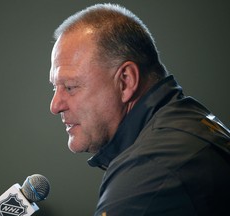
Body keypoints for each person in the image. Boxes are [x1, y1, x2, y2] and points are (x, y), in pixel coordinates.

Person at [49, 3, 230, 216]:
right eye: (54, 87)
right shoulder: (188, 122)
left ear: (126, 81)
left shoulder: (150, 173)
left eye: (70, 87)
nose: (55, 106)